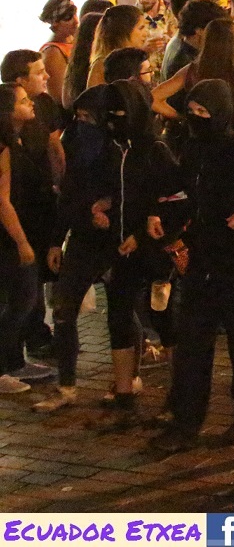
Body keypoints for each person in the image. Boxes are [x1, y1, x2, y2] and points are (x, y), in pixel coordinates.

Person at [34, 80, 180, 418]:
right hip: (93, 239)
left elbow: (148, 195)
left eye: (89, 117)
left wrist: (120, 216)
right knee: (75, 307)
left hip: (124, 242)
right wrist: (62, 234)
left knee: (135, 312)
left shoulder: (138, 149)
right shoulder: (88, 143)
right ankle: (78, 386)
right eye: (79, 116)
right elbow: (71, 192)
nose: (82, 123)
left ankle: (142, 385)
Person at [147, 79, 234, 454]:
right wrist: (161, 215)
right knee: (193, 342)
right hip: (202, 256)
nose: (197, 119)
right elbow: (182, 193)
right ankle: (186, 420)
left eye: (204, 112)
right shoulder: (193, 149)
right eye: (192, 111)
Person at [0, 84, 42, 394]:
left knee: (19, 299)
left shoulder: (17, 139)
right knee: (20, 299)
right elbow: (2, 201)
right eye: (24, 100)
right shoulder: (3, 147)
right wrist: (22, 242)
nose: (31, 103)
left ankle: (13, 362)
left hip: (18, 228)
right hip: (8, 235)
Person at [85, 4, 148, 89]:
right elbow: (95, 96)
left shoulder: (134, 60)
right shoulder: (101, 65)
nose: (145, 34)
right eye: (141, 28)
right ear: (123, 30)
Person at [38, 0, 77, 105]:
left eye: (75, 14)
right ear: (55, 22)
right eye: (68, 17)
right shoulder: (53, 52)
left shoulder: (73, 41)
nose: (76, 21)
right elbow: (60, 97)